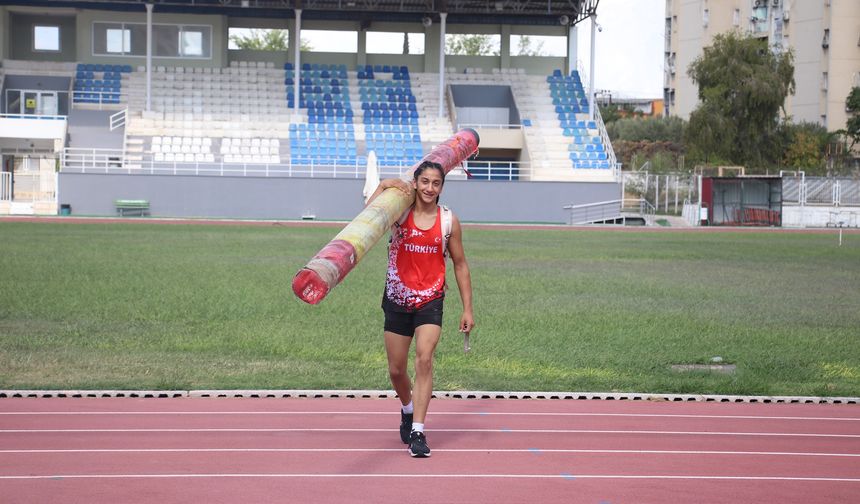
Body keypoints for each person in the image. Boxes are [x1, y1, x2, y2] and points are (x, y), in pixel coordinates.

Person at [366, 161, 475, 458]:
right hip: (398, 298)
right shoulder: (399, 213)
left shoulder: (448, 221)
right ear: (414, 183)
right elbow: (369, 214)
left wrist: (468, 308)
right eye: (424, 181)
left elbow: (460, 264)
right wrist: (386, 183)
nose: (429, 188)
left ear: (441, 187)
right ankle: (407, 407)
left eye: (435, 183)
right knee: (396, 369)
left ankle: (418, 431)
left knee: (424, 359)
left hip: (431, 300)